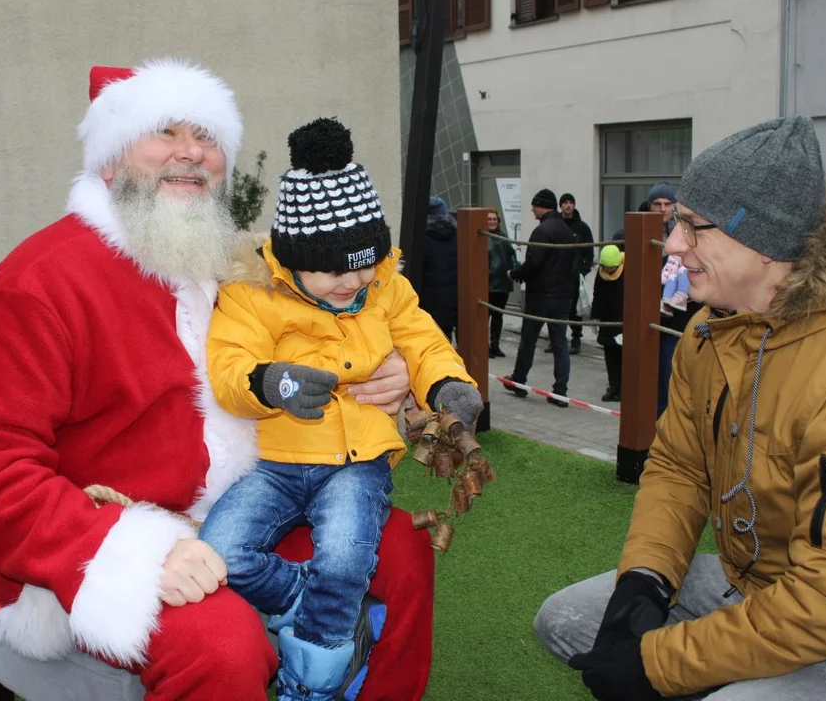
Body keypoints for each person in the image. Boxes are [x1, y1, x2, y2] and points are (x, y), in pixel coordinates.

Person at [0, 60, 434, 701]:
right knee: (223, 644)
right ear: (110, 159)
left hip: (257, 500)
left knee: (401, 552)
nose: (191, 153)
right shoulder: (40, 282)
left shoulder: (239, 265)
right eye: (165, 133)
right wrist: (140, 553)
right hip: (112, 536)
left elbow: (337, 334)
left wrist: (387, 373)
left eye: (206, 137)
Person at [534, 116, 826, 700]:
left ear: (766, 244)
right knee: (567, 620)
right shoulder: (710, 333)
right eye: (675, 220)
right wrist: (645, 581)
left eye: (693, 225)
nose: (674, 242)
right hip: (750, 579)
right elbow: (679, 469)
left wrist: (659, 663)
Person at [199, 117, 482, 701]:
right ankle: (323, 608)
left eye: (365, 262)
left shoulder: (383, 288)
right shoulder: (252, 295)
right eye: (334, 268)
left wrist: (447, 384)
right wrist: (271, 382)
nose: (353, 280)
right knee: (223, 549)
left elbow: (424, 341)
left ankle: (310, 685)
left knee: (347, 554)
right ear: (293, 258)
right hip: (277, 459)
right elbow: (230, 369)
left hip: (358, 461)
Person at [503, 188, 575, 407]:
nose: (532, 209)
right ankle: (560, 390)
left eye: (534, 205)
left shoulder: (542, 231)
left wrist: (514, 274)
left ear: (542, 205)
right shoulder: (565, 229)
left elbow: (534, 263)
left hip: (541, 296)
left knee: (529, 339)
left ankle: (519, 380)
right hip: (563, 295)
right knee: (560, 343)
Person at [649, 181, 704, 417]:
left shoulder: (687, 234)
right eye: (657, 204)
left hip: (679, 319)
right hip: (648, 317)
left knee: (671, 380)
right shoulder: (633, 232)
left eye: (667, 204)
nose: (662, 209)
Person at [546, 192, 593, 356]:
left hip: (574, 276)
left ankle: (576, 339)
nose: (568, 206)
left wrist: (583, 269)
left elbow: (588, 251)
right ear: (561, 206)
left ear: (574, 205)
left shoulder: (582, 228)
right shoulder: (555, 225)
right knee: (555, 308)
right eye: (564, 203)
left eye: (570, 203)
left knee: (575, 310)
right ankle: (555, 339)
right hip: (556, 275)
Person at [418, 196, 459, 342]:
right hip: (456, 298)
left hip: (430, 299)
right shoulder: (458, 234)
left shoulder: (420, 237)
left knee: (434, 342)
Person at [590, 244, 624, 403]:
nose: (609, 272)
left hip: (623, 320)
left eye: (612, 269)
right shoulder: (601, 272)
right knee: (610, 355)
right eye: (606, 268)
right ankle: (614, 387)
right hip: (607, 320)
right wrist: (595, 317)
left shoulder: (628, 271)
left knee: (623, 355)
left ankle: (624, 388)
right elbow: (597, 294)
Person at [487, 209, 516, 358]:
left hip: (502, 285)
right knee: (484, 318)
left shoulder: (504, 238)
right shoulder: (482, 238)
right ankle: (484, 346)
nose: (492, 222)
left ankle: (495, 345)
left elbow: (512, 256)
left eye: (494, 219)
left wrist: (515, 270)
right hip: (488, 285)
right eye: (489, 219)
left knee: (498, 317)